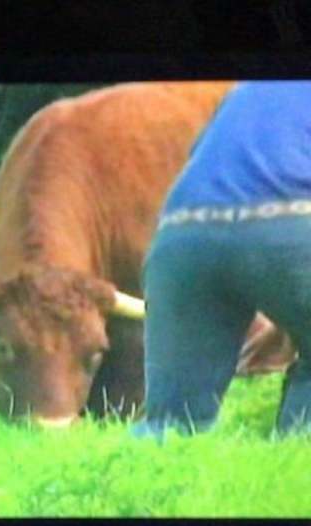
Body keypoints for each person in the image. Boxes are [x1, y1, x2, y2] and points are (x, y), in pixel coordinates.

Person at [133, 81, 311, 438]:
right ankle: (294, 450)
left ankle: (142, 468)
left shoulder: (248, 91)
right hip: (288, 226)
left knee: (172, 419)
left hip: (180, 237)